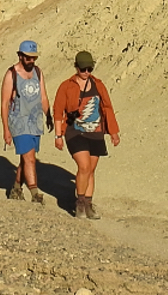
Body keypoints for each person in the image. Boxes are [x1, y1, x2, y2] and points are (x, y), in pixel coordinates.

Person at [53, 50, 120, 219]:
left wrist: (113, 132)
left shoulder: (98, 84)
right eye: (83, 69)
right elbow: (58, 111)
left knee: (91, 170)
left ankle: (89, 205)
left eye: (89, 68)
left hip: (95, 131)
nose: (86, 72)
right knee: (83, 166)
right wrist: (58, 135)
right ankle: (80, 203)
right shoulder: (66, 86)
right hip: (74, 131)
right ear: (76, 67)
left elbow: (107, 108)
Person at [1, 39, 52, 203]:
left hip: (35, 121)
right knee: (30, 158)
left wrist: (49, 115)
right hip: (19, 122)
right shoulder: (11, 74)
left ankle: (16, 188)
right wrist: (6, 129)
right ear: (20, 56)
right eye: (28, 58)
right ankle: (35, 193)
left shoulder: (38, 72)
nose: (32, 61)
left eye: (34, 58)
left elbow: (43, 97)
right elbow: (4, 103)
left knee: (27, 157)